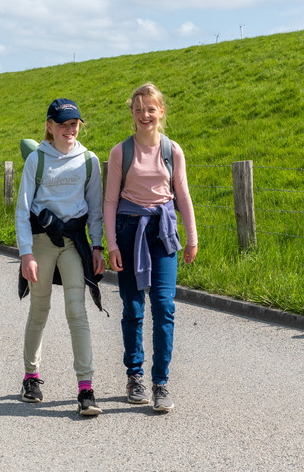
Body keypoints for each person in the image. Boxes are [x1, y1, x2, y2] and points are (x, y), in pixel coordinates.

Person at [104, 83, 197, 413]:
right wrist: (111, 244)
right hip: (129, 232)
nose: (145, 115)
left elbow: (182, 195)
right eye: (138, 109)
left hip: (163, 233)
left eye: (151, 109)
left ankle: (161, 382)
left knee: (163, 306)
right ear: (132, 113)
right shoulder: (120, 152)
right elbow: (110, 200)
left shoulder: (173, 150)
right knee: (132, 308)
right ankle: (135, 377)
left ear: (161, 112)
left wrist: (192, 237)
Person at [15, 98, 105, 417]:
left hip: (72, 243)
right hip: (42, 242)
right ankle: (31, 377)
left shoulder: (89, 160)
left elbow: (95, 209)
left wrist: (97, 247)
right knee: (39, 310)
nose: (70, 129)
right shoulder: (37, 161)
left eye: (75, 123)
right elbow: (23, 210)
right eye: (64, 123)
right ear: (50, 126)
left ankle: (85, 387)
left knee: (76, 312)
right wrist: (26, 253)